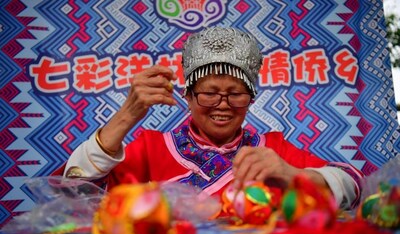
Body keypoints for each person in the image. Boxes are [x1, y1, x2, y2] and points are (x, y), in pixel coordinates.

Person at [61, 26, 363, 209]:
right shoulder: (152, 148)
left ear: (251, 100)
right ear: (188, 97)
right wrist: (127, 115)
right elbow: (72, 193)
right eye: (209, 93)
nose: (223, 105)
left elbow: (353, 184)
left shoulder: (269, 149)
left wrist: (293, 175)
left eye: (236, 93)